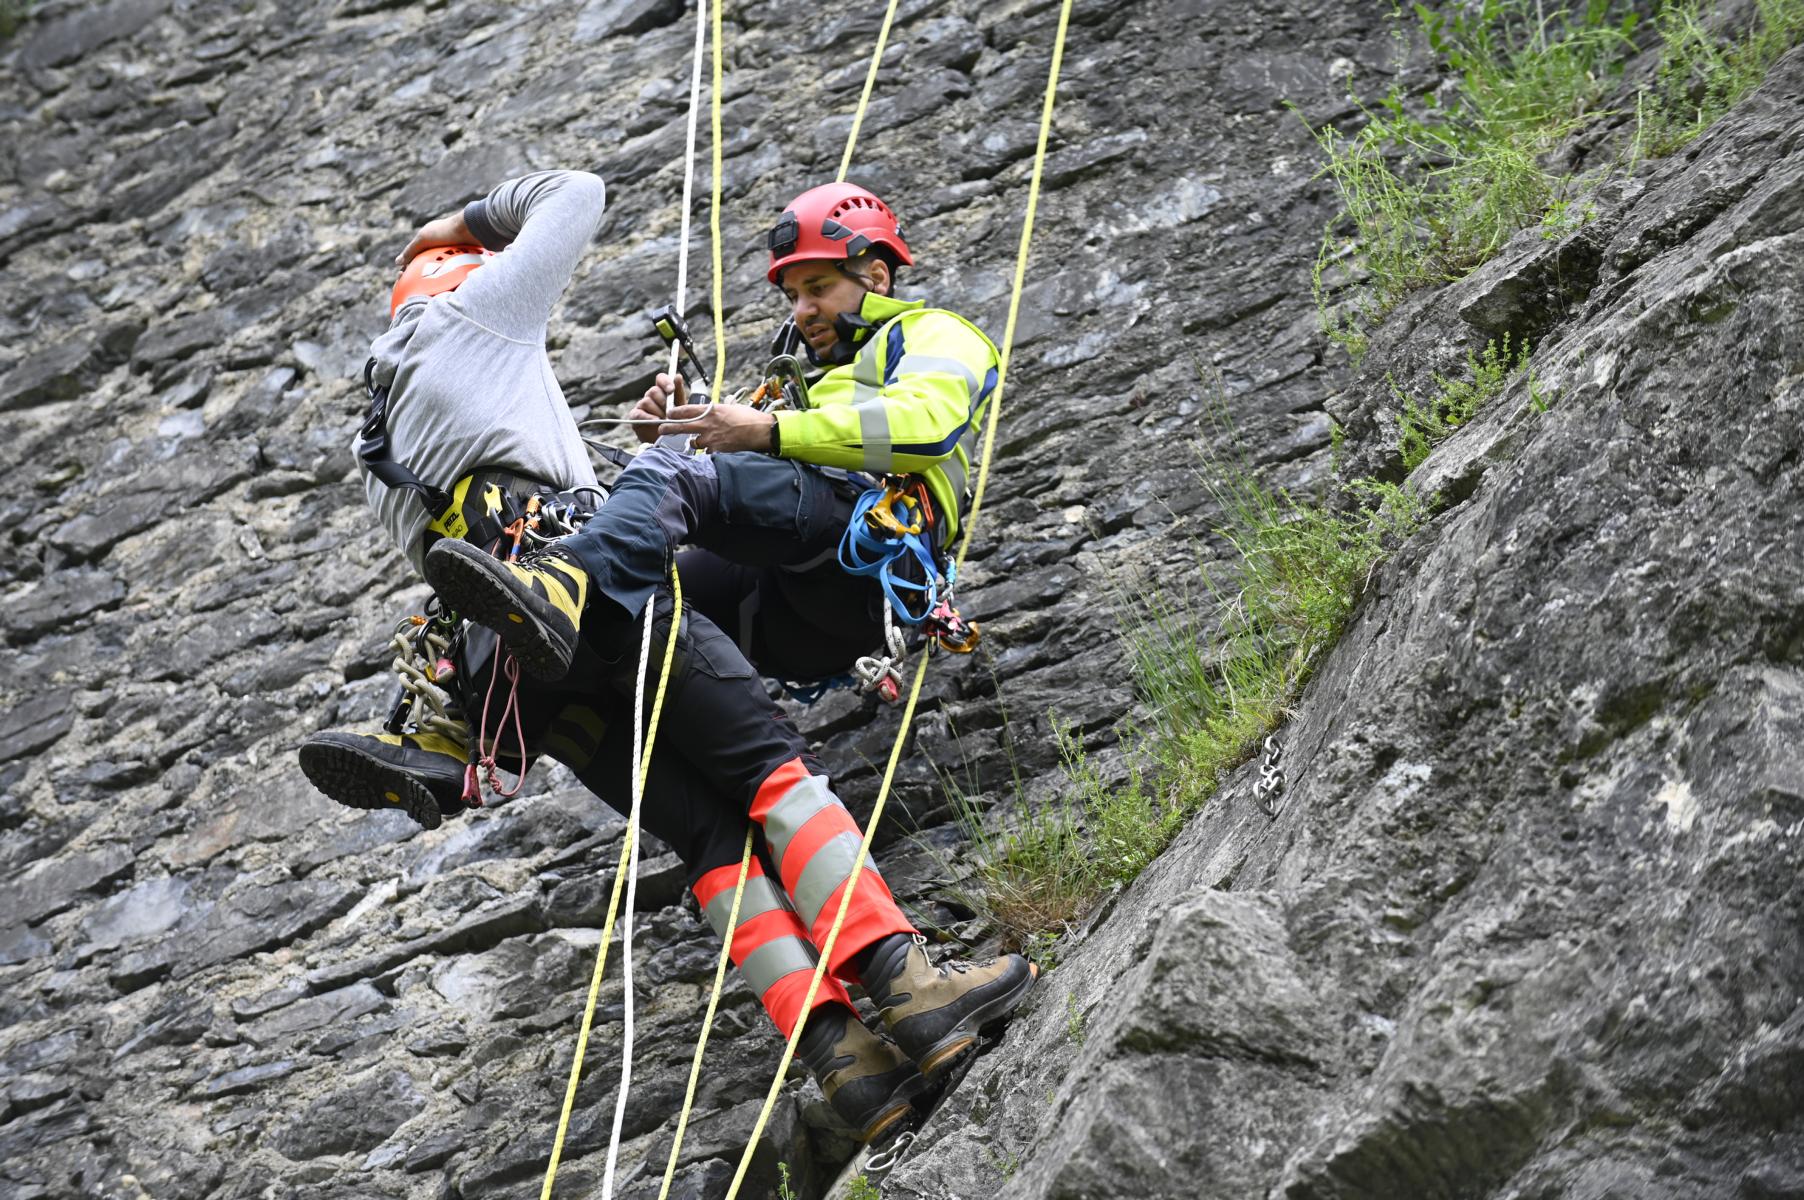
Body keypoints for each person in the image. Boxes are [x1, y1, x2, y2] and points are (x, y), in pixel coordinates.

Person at [299, 170, 1034, 1145]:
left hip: (536, 647)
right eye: (793, 292)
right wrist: (690, 443)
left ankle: (844, 1064)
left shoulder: (379, 443)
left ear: (876, 271)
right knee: (766, 772)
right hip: (618, 596)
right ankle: (910, 989)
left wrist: (730, 436)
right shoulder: (478, 318)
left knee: (709, 837)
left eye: (815, 286)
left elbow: (921, 423)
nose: (800, 309)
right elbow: (574, 195)